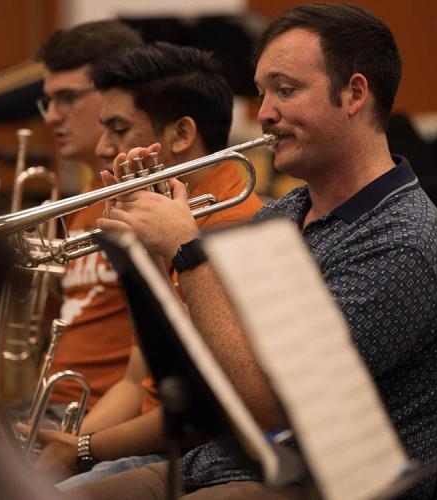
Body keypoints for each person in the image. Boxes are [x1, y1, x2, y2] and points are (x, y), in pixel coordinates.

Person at [67, 4, 437, 500]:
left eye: (285, 90)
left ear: (354, 94)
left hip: (306, 485)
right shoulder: (283, 214)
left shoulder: (404, 244)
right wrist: (151, 255)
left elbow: (271, 408)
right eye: (262, 93)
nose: (263, 114)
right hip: (214, 465)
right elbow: (206, 371)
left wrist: (188, 249)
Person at [17, 42, 263, 485]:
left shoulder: (234, 227)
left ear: (181, 135)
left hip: (194, 455)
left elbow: (198, 411)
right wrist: (66, 447)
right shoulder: (161, 221)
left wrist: (85, 450)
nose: (104, 149)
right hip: (137, 439)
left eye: (118, 128)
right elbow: (137, 381)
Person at [9, 20, 143, 425]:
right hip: (45, 404)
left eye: (66, 97)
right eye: (46, 101)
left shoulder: (144, 199)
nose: (51, 117)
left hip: (97, 414)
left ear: (114, 92)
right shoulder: (78, 206)